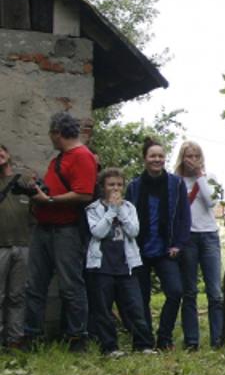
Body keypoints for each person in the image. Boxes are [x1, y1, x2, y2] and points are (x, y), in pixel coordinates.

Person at [23, 112, 97, 351]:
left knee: (70, 285)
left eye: (51, 134)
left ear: (57, 133)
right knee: (34, 285)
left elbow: (85, 193)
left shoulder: (82, 156)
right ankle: (32, 336)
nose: (51, 139)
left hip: (66, 230)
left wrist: (51, 200)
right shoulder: (59, 159)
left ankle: (77, 338)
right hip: (44, 228)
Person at [126, 139, 192, 350]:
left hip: (166, 250)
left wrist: (178, 244)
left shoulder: (176, 184)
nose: (157, 160)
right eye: (152, 156)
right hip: (140, 250)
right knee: (141, 297)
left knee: (175, 292)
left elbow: (184, 217)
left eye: (160, 156)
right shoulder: (134, 187)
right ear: (145, 159)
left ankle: (164, 337)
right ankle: (144, 340)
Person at [85, 167, 155, 355]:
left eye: (119, 185)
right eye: (111, 185)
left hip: (127, 265)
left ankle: (143, 345)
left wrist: (120, 211)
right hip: (102, 266)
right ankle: (110, 347)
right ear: (102, 187)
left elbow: (134, 231)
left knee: (135, 307)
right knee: (104, 309)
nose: (115, 188)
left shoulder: (130, 208)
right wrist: (111, 211)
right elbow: (97, 232)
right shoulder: (93, 209)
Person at [175, 141, 225, 348]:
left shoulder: (209, 178)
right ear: (182, 157)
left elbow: (211, 202)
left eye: (197, 156)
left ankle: (218, 339)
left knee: (214, 291)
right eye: (189, 156)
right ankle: (191, 340)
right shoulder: (176, 181)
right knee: (190, 292)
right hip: (187, 238)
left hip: (209, 236)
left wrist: (201, 176)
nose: (193, 160)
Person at [0, 144, 35, 349]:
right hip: (0, 246)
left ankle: (14, 340)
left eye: (1, 151)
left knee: (17, 295)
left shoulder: (23, 181)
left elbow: (37, 208)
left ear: (8, 155)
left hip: (23, 245)